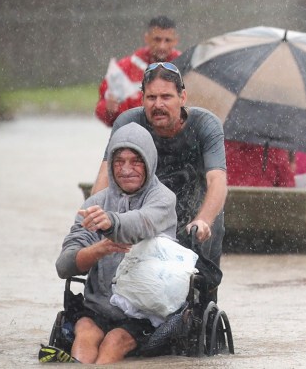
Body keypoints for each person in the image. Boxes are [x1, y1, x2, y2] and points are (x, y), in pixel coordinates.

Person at [51, 123, 177, 364]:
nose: (126, 169)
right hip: (99, 307)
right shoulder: (93, 205)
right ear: (110, 164)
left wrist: (111, 223)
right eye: (119, 161)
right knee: (86, 333)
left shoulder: (163, 199)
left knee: (114, 341)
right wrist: (99, 249)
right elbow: (64, 266)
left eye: (136, 161)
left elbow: (141, 223)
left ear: (149, 162)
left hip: (146, 311)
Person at [93, 62, 227, 283]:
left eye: (166, 97)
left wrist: (203, 220)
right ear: (142, 98)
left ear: (182, 97)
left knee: (197, 294)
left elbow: (217, 180)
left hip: (195, 221)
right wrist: (93, 217)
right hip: (145, 215)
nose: (158, 105)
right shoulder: (128, 123)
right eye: (151, 98)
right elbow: (105, 176)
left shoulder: (205, 125)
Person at [96, 16, 181, 127]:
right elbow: (103, 108)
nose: (162, 46)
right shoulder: (123, 69)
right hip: (133, 137)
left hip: (175, 140)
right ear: (147, 38)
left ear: (176, 41)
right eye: (157, 39)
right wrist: (109, 110)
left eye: (167, 40)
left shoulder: (187, 68)